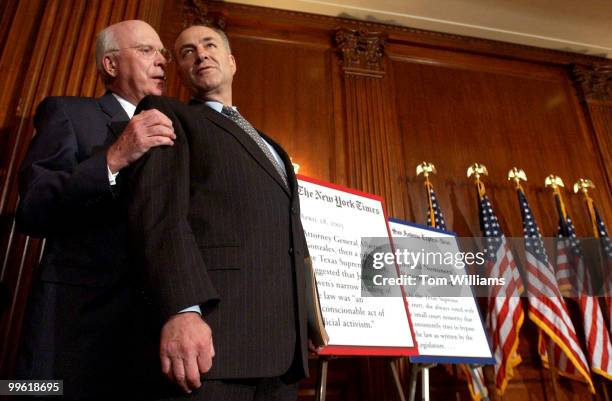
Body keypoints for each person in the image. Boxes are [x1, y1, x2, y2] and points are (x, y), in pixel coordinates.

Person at [124, 25, 310, 400]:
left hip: (284, 352)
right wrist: (182, 310)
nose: (201, 54)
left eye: (210, 46)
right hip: (213, 345)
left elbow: (291, 237)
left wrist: (307, 320)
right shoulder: (167, 114)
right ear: (180, 70)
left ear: (231, 61)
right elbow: (160, 215)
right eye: (187, 51)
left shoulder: (273, 148)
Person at [15, 20, 175, 399]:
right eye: (146, 50)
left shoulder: (175, 128)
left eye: (163, 53)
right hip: (74, 330)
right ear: (111, 65)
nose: (162, 61)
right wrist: (114, 158)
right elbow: (33, 207)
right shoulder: (68, 113)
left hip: (153, 334)